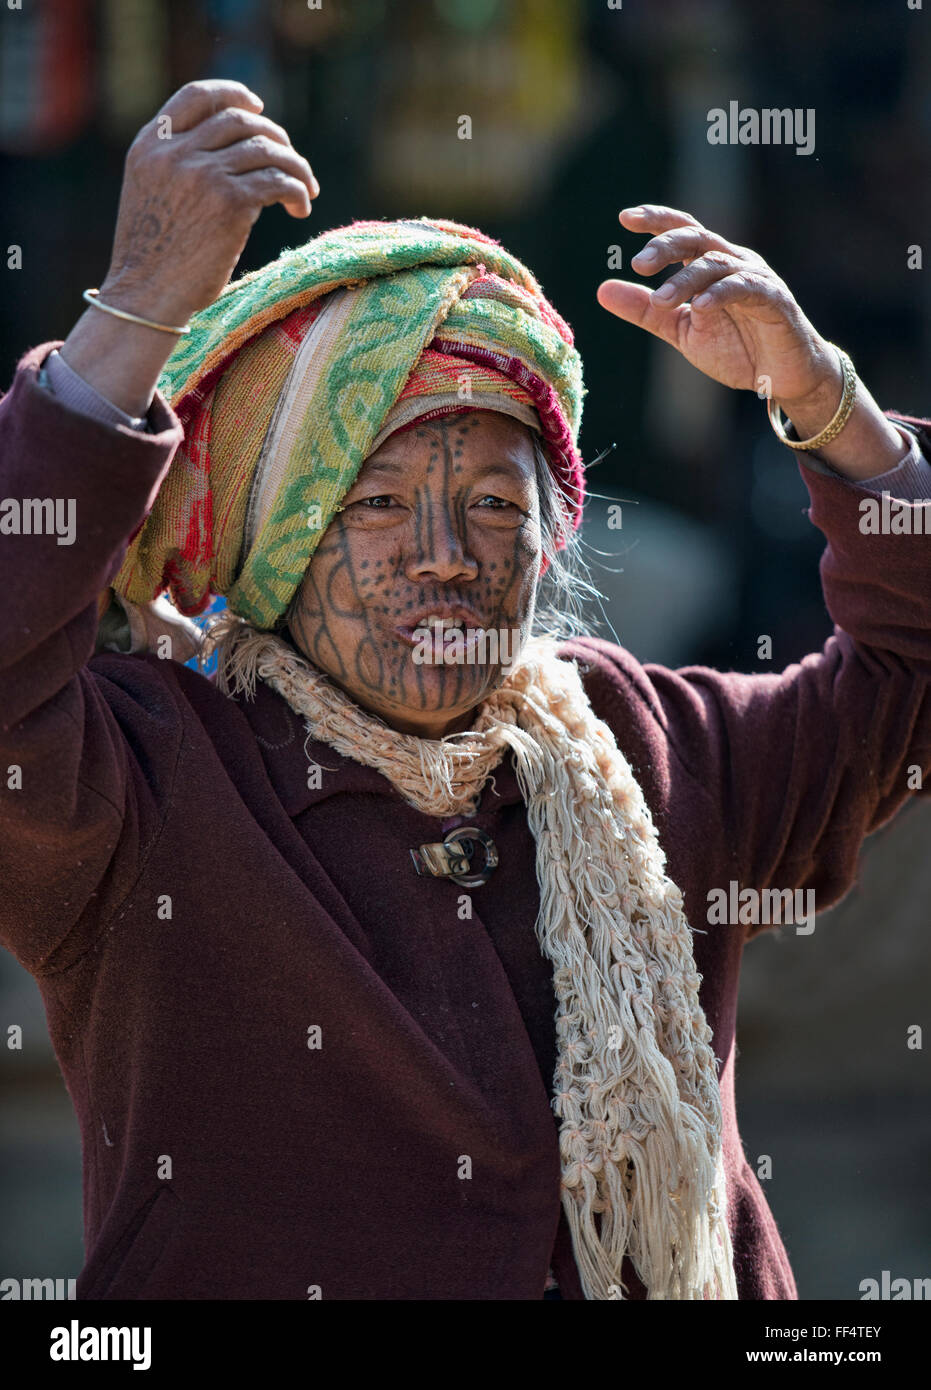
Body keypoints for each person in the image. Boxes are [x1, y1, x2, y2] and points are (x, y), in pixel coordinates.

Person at [1, 79, 929, 1302]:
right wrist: (132, 312)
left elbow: (908, 673)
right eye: (374, 504)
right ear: (276, 546)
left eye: (494, 505)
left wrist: (827, 406)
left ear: (544, 547)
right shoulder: (151, 779)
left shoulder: (654, 752)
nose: (444, 551)